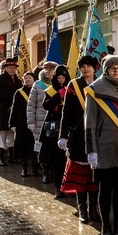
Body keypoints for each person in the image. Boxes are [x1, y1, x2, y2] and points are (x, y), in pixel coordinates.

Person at [84, 55, 118, 235]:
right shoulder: (95, 90)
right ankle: (106, 227)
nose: (116, 70)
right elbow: (89, 123)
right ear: (105, 70)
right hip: (104, 148)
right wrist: (92, 150)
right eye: (112, 67)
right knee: (105, 190)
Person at [59, 55, 100, 224]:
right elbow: (66, 112)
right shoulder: (73, 85)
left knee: (94, 176)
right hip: (78, 136)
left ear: (95, 68)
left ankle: (94, 210)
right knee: (81, 176)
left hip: (97, 135)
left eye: (88, 66)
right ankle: (82, 209)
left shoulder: (101, 84)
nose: (85, 69)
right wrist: (62, 135)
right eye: (82, 66)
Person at [41, 65, 70, 198]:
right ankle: (58, 187)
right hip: (54, 128)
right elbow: (45, 105)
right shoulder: (50, 91)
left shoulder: (72, 90)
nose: (61, 80)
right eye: (58, 77)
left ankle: (69, 186)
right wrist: (58, 97)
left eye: (63, 77)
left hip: (69, 127)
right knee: (57, 160)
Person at [27, 60, 56, 181]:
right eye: (46, 69)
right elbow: (31, 104)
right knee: (40, 147)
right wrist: (31, 121)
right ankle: (44, 172)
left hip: (54, 121)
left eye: (50, 69)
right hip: (39, 122)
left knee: (53, 148)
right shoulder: (38, 84)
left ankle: (53, 171)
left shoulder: (59, 85)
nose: (48, 71)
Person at [0, 58, 22, 166]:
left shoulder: (18, 81)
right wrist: (14, 95)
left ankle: (11, 156)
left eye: (14, 68)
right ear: (5, 68)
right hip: (3, 110)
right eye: (10, 67)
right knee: (1, 134)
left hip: (14, 111)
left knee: (11, 133)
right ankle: (0, 156)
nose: (12, 70)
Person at [10, 71, 36, 176]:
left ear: (34, 80)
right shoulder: (19, 92)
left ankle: (34, 167)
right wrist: (12, 123)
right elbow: (14, 108)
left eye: (30, 78)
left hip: (34, 122)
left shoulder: (37, 91)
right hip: (21, 123)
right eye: (26, 78)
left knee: (34, 146)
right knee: (22, 146)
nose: (28, 80)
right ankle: (24, 168)